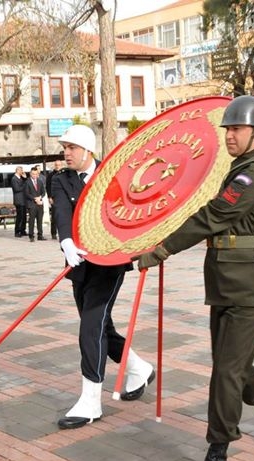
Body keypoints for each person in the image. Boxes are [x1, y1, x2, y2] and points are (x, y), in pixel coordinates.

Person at [135, 96, 254, 461]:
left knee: (225, 372)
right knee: (231, 366)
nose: (230, 136)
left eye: (237, 129)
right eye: (227, 129)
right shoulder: (238, 170)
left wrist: (161, 249)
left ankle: (218, 455)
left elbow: (213, 217)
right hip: (226, 287)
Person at [51, 124, 155, 431]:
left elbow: (128, 213)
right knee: (101, 328)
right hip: (79, 263)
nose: (66, 153)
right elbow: (62, 214)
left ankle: (90, 401)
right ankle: (139, 368)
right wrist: (66, 241)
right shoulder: (61, 180)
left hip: (109, 264)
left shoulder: (111, 176)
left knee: (91, 327)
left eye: (71, 148)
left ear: (87, 150)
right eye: (64, 148)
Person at [24, 166, 46, 242]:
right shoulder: (27, 182)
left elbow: (43, 192)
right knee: (32, 220)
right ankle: (31, 236)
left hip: (39, 203)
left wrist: (40, 197)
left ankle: (40, 235)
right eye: (33, 174)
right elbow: (27, 193)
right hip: (31, 204)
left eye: (36, 174)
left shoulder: (40, 181)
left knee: (40, 220)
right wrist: (34, 198)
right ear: (30, 174)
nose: (34, 175)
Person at [46, 160, 64, 240]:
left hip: (63, 198)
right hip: (54, 198)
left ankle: (63, 233)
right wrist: (50, 197)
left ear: (61, 165)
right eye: (56, 165)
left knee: (63, 216)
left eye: (59, 165)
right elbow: (48, 186)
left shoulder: (64, 174)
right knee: (54, 216)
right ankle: (53, 233)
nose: (57, 166)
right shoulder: (51, 175)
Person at [11, 166, 28, 238]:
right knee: (20, 217)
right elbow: (17, 189)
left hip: (23, 200)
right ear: (18, 170)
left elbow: (26, 183)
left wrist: (25, 178)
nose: (22, 172)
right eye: (21, 170)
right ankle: (17, 231)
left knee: (24, 216)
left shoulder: (21, 178)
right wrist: (24, 184)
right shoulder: (14, 179)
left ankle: (23, 230)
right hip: (19, 200)